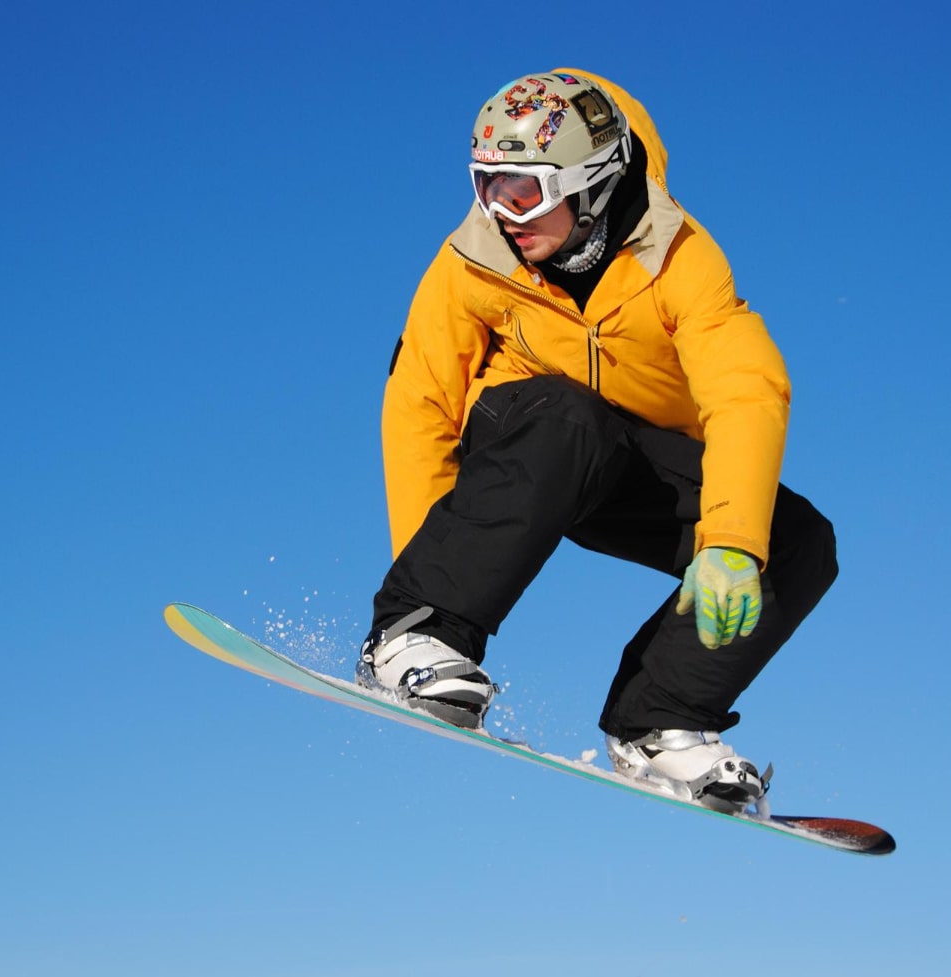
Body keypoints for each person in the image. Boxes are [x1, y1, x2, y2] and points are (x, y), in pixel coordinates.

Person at [355, 69, 838, 813]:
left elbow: (745, 389)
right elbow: (421, 400)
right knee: (569, 415)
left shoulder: (678, 259)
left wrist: (731, 543)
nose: (501, 213)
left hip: (627, 460)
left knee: (794, 539)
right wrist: (427, 579)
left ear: (590, 184)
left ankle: (659, 720)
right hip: (525, 445)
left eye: (523, 192)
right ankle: (415, 635)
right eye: (486, 186)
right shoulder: (472, 259)